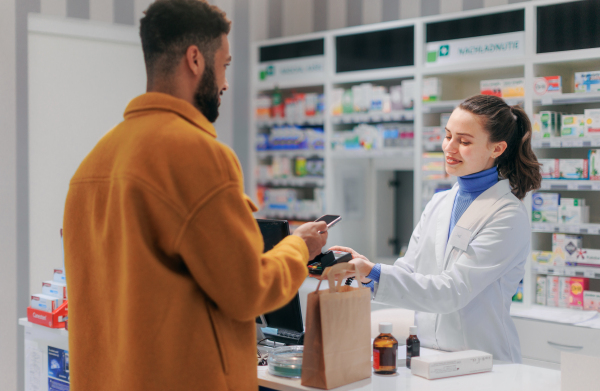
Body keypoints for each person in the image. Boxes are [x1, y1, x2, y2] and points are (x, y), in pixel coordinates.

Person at [63, 1, 327, 390]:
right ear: (195, 60)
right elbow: (248, 290)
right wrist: (298, 247)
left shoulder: (92, 164)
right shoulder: (198, 154)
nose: (224, 83)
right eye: (225, 65)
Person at [332, 95, 542, 363]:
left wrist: (374, 272)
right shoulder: (440, 202)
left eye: (464, 141)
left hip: (485, 361)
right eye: (448, 136)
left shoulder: (507, 215)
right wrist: (361, 273)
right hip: (431, 356)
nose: (449, 148)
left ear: (497, 149)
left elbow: (453, 291)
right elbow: (409, 271)